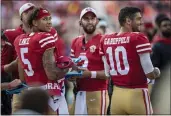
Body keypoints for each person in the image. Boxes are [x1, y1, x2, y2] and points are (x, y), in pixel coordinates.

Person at [99, 7, 160, 115]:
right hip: (137, 95)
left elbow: (107, 73)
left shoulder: (105, 39)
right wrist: (157, 72)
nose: (141, 22)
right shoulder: (138, 38)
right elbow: (149, 73)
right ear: (128, 21)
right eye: (138, 19)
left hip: (117, 97)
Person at [14, 7, 73, 115]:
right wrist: (68, 69)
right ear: (35, 22)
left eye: (50, 19)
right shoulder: (45, 37)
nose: (49, 22)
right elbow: (51, 74)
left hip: (32, 91)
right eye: (45, 19)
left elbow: (22, 76)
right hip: (49, 93)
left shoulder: (19, 39)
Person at [70, 7, 109, 115]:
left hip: (97, 91)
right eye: (86, 18)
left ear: (97, 21)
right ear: (80, 22)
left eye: (92, 18)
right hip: (79, 92)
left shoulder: (104, 40)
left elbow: (108, 73)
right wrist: (71, 76)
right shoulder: (75, 42)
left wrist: (89, 74)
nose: (90, 21)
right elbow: (72, 67)